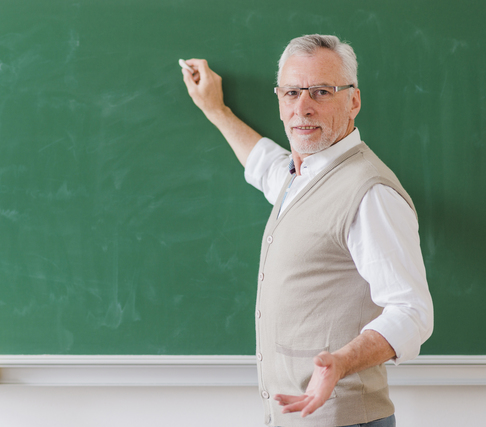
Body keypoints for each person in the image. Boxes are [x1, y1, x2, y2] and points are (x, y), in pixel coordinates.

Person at [181, 34, 434, 427]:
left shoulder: (370, 193)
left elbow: (413, 312)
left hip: (345, 420)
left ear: (353, 101)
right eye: (292, 93)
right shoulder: (302, 173)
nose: (303, 108)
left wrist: (342, 361)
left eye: (320, 92)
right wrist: (216, 110)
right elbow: (264, 163)